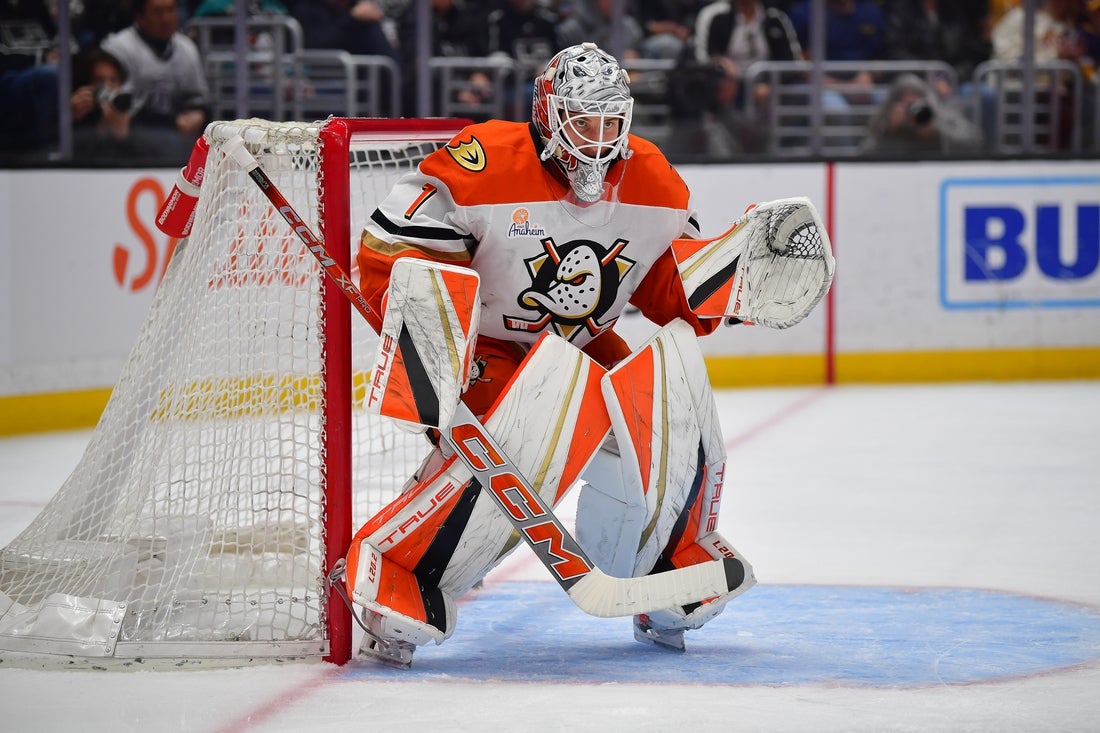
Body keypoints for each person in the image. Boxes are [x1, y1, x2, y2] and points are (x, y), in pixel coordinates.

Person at [342, 42, 756, 667]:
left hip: (586, 345)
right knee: (520, 444)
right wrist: (431, 339)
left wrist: (737, 279)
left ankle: (662, 566)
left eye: (611, 123)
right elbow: (394, 251)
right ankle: (404, 569)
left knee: (662, 420)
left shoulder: (653, 179)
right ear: (547, 113)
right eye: (584, 121)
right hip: (489, 349)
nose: (599, 139)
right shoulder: (485, 161)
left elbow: (670, 288)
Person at [100, 0, 210, 161]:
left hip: (178, 130)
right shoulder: (118, 48)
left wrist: (197, 114)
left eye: (170, 10)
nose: (166, 18)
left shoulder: (187, 48)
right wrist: (171, 122)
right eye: (158, 12)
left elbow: (199, 99)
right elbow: (120, 108)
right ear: (140, 17)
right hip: (132, 133)